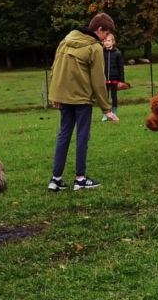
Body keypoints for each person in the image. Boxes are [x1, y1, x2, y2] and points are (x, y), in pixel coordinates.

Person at [47, 13, 119, 192]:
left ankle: (56, 180)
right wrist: (106, 108)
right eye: (106, 34)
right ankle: (80, 178)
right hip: (82, 99)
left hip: (63, 97)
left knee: (64, 134)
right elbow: (98, 80)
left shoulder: (66, 40)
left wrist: (55, 95)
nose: (105, 39)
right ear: (99, 30)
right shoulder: (94, 48)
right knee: (82, 136)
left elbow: (55, 68)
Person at [101, 34, 125, 121]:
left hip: (114, 78)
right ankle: (105, 114)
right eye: (105, 41)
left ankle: (114, 113)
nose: (106, 43)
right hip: (104, 79)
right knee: (105, 97)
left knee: (114, 96)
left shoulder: (117, 53)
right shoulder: (101, 53)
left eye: (108, 41)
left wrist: (121, 80)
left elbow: (121, 67)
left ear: (113, 42)